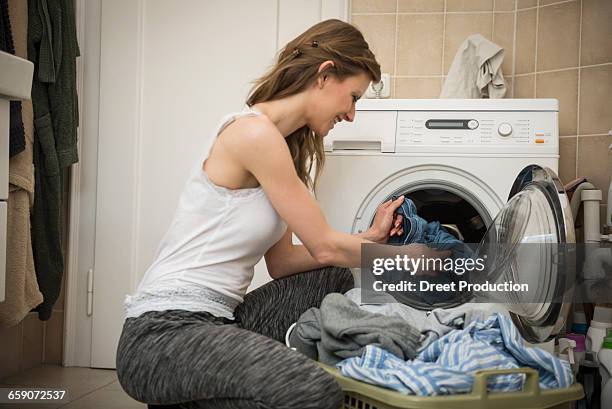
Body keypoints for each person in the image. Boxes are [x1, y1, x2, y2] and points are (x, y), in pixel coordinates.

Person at [115, 19, 440, 409]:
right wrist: (411, 259)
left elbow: (284, 262)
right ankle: (195, 389)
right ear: (325, 75)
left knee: (332, 277)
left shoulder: (283, 151)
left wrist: (371, 240)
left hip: (220, 321)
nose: (351, 114)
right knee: (314, 391)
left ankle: (194, 395)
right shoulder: (252, 134)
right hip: (162, 333)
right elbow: (323, 245)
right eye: (353, 96)